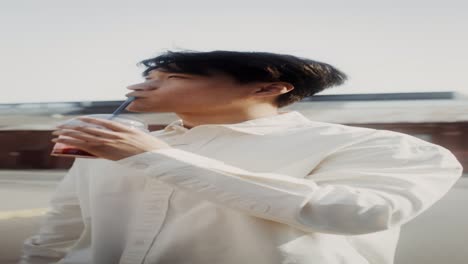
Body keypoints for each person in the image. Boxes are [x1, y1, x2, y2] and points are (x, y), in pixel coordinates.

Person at [20, 50, 463, 264]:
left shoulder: (380, 147)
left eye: (170, 77)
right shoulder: (115, 143)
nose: (139, 87)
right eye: (144, 78)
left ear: (269, 87)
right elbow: (65, 224)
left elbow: (355, 212)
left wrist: (152, 156)